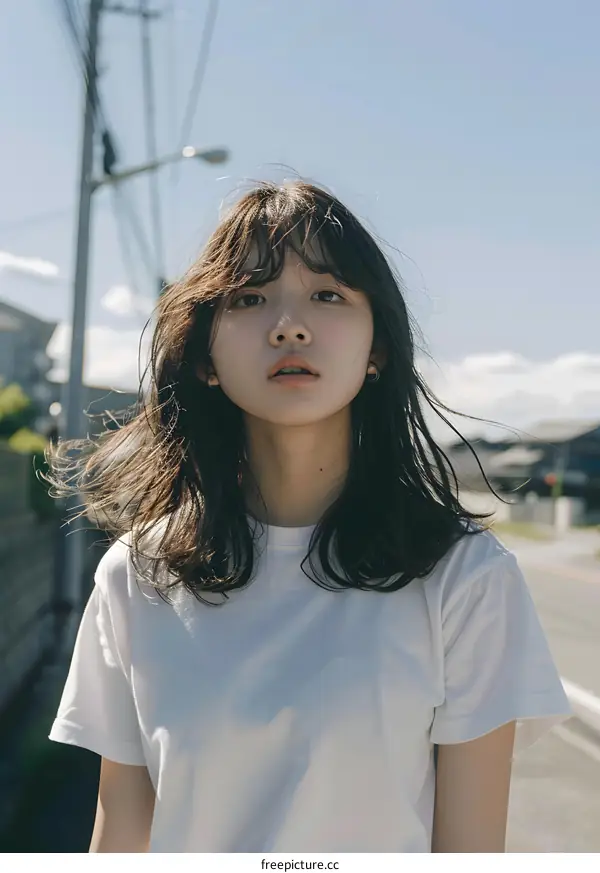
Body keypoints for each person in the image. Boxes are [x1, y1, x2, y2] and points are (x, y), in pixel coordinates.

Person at [46, 180, 571, 853]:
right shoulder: (137, 575)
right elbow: (120, 838)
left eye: (328, 295)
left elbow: (469, 853)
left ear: (377, 347)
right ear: (206, 356)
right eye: (250, 297)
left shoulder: (464, 576)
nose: (288, 325)